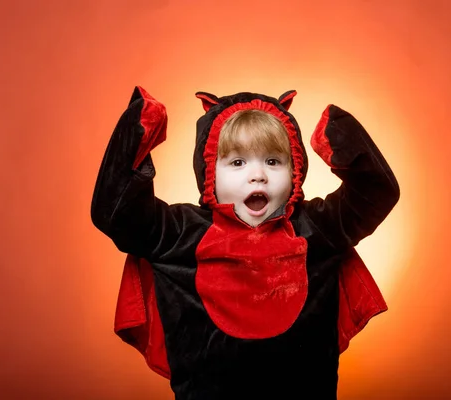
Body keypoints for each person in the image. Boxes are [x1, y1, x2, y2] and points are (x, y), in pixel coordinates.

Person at [90, 86, 400, 400]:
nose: (257, 175)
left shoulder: (316, 228)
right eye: (237, 163)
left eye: (273, 161)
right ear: (210, 170)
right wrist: (135, 137)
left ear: (295, 169)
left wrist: (345, 141)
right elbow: (118, 215)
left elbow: (375, 194)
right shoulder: (180, 234)